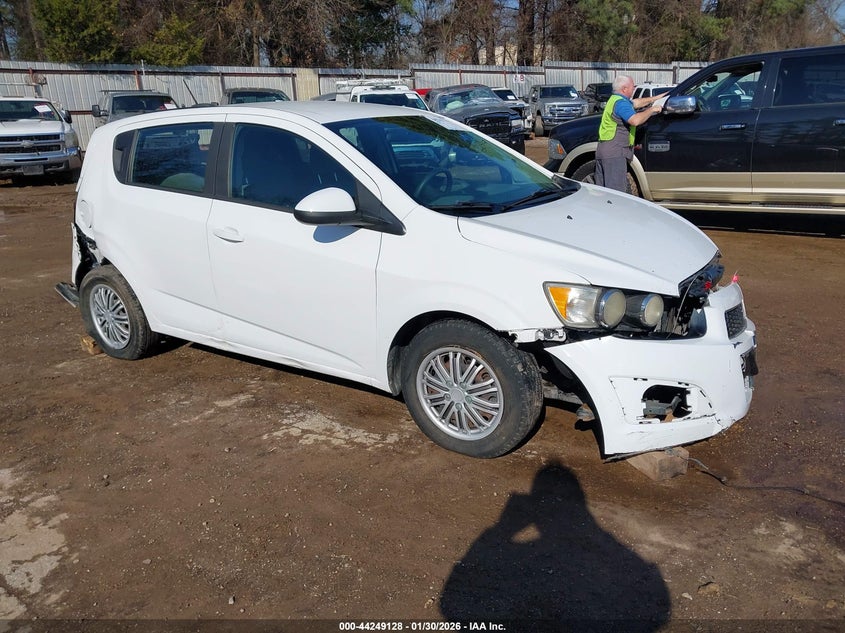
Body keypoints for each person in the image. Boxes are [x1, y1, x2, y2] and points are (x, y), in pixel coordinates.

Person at [595, 74, 664, 193]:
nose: (634, 88)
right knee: (616, 194)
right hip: (615, 154)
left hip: (605, 150)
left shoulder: (615, 99)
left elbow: (636, 103)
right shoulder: (621, 104)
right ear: (624, 89)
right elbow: (635, 120)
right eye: (633, 86)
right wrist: (652, 110)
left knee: (603, 193)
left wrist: (655, 98)